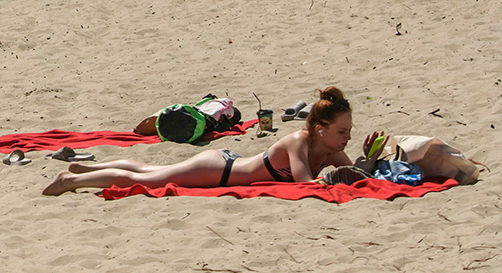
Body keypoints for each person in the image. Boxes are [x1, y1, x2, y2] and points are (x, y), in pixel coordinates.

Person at [44, 86, 355, 195]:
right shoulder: (298, 141)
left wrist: (370, 158)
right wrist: (338, 176)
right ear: (320, 129)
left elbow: (357, 174)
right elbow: (304, 184)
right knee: (148, 180)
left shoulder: (329, 150)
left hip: (226, 163)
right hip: (217, 171)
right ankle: (70, 181)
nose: (347, 138)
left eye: (349, 131)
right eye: (342, 132)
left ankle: (85, 169)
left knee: (151, 170)